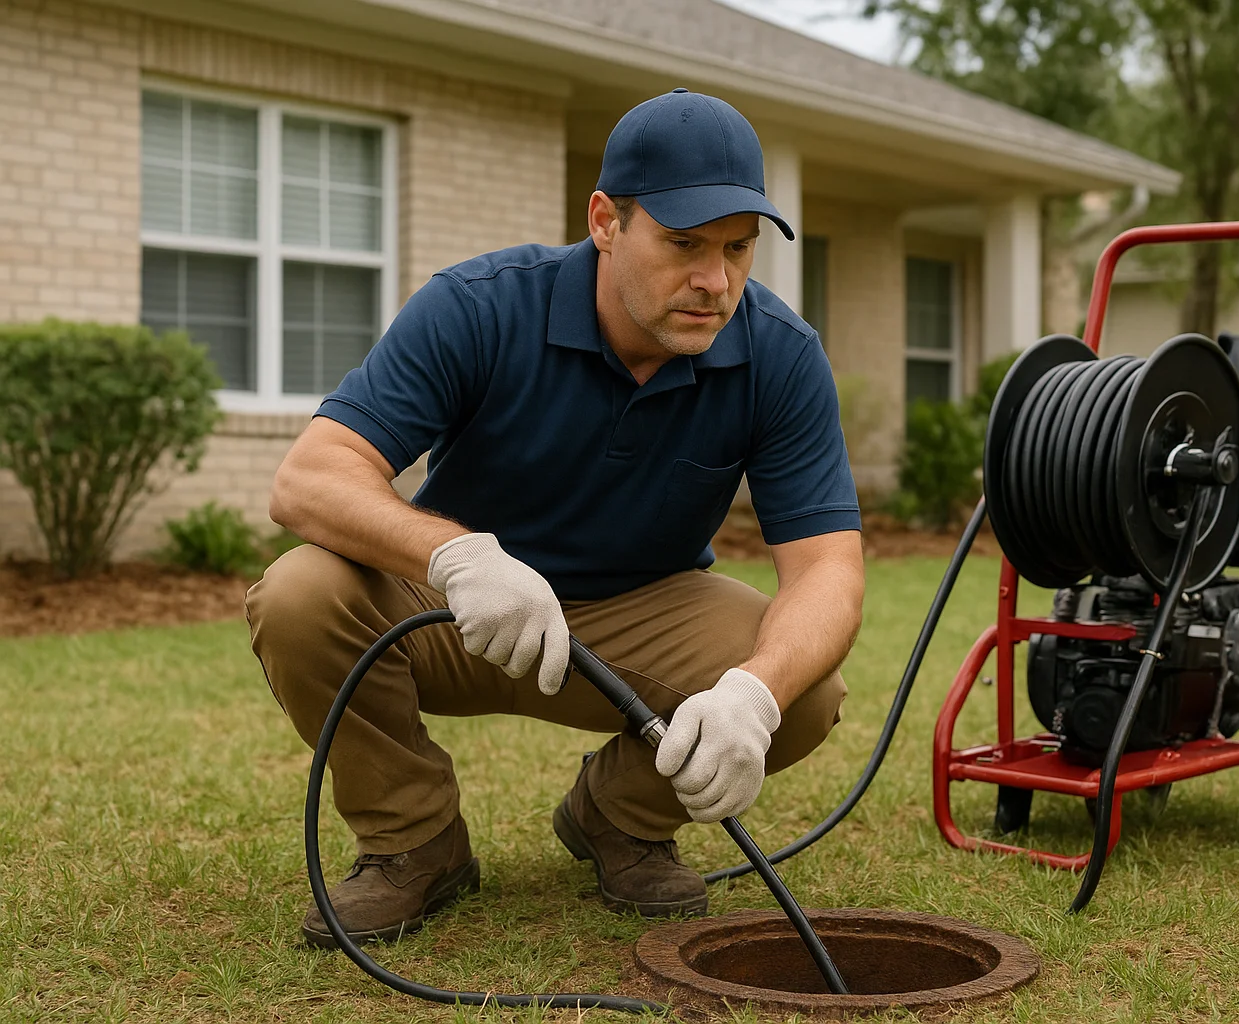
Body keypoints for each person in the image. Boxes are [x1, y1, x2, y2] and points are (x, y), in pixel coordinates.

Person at [245, 88, 864, 948]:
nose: (715, 281)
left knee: (802, 689)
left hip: (638, 615)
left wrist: (754, 696)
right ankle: (415, 841)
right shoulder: (479, 305)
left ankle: (618, 815)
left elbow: (828, 568)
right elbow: (309, 479)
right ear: (606, 221)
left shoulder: (779, 355)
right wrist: (459, 556)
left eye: (737, 248)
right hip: (453, 609)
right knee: (298, 594)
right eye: (684, 243)